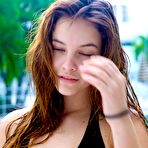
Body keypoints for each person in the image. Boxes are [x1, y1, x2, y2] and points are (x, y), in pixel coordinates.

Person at [0, 0, 148, 147]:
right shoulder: (11, 128)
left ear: (105, 56)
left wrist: (119, 117)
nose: (68, 65)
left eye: (85, 53)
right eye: (58, 49)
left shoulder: (125, 126)